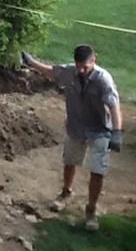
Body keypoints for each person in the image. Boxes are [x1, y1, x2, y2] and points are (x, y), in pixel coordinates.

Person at [22, 45, 123, 231]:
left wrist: (116, 132)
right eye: (78, 66)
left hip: (100, 129)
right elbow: (51, 72)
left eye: (85, 67)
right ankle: (66, 192)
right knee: (69, 161)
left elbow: (114, 106)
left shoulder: (103, 80)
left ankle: (91, 210)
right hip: (76, 127)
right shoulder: (70, 72)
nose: (81, 71)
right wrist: (30, 62)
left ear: (94, 61)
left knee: (97, 169)